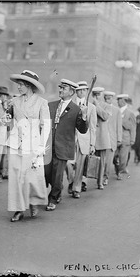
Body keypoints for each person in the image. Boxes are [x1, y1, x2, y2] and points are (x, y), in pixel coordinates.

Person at [7, 70, 51, 221]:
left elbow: (46, 126)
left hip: (33, 145)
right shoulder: (14, 101)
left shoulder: (42, 103)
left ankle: (33, 202)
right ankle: (18, 209)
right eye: (18, 84)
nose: (18, 87)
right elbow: (7, 120)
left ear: (30, 86)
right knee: (16, 177)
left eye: (21, 85)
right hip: (16, 144)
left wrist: (41, 146)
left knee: (32, 176)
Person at [45, 78, 88, 211]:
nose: (60, 90)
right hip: (48, 146)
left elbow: (82, 129)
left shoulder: (77, 110)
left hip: (63, 147)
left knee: (57, 175)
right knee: (46, 173)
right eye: (60, 87)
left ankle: (53, 198)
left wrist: (84, 116)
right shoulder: (50, 105)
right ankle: (57, 190)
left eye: (63, 88)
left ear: (71, 92)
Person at [67, 81, 97, 197]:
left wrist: (92, 144)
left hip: (84, 140)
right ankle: (70, 181)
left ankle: (76, 189)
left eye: (83, 90)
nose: (80, 92)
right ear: (75, 91)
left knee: (80, 166)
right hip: (70, 138)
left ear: (86, 91)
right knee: (68, 164)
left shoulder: (91, 107)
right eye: (78, 90)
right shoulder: (70, 104)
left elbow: (93, 128)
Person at [115, 94, 136, 180]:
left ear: (123, 101)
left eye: (119, 100)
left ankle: (120, 172)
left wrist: (132, 139)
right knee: (113, 157)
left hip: (125, 138)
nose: (117, 102)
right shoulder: (115, 111)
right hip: (115, 138)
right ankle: (119, 169)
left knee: (123, 157)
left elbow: (133, 127)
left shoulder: (130, 113)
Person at [104, 91, 122, 186]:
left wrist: (119, 139)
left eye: (110, 98)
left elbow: (119, 126)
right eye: (106, 98)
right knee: (101, 161)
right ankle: (100, 178)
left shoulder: (116, 110)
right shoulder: (100, 108)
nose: (108, 100)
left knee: (108, 161)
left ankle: (105, 178)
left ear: (112, 99)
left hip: (111, 139)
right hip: (102, 139)